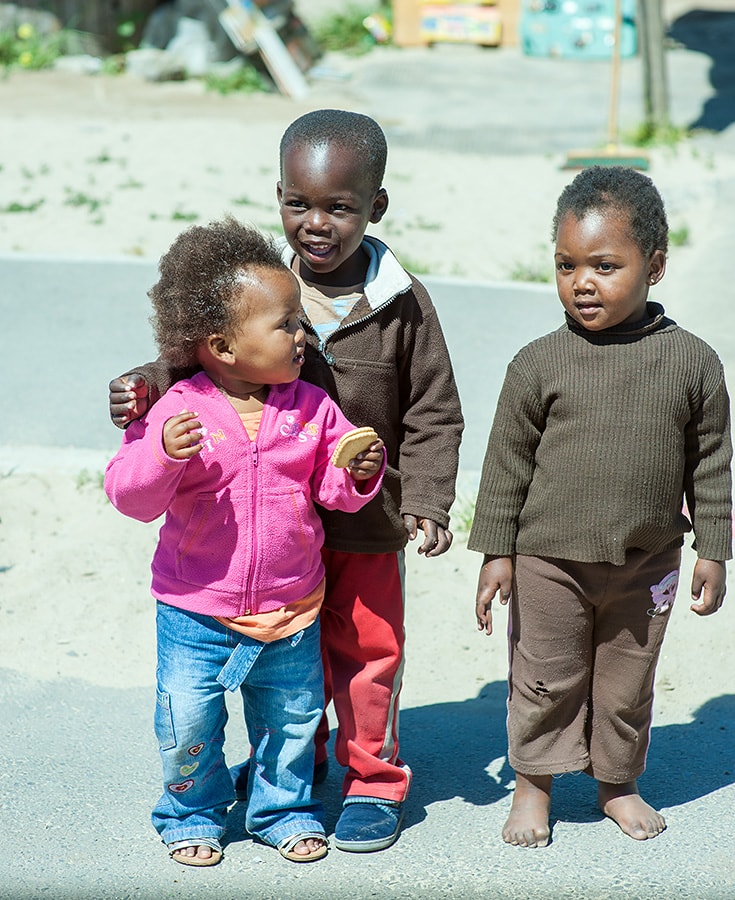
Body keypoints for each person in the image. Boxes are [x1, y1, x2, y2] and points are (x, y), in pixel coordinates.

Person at [107, 110, 463, 852]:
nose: (317, 224)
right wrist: (142, 384)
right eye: (299, 204)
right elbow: (198, 356)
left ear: (376, 207)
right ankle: (293, 773)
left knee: (367, 655)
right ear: (278, 199)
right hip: (274, 534)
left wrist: (426, 498)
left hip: (365, 519)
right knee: (290, 673)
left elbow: (434, 409)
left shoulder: (400, 301)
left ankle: (371, 781)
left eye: (339, 207)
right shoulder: (261, 287)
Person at [105, 218, 386, 867]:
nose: (301, 335)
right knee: (188, 724)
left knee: (289, 722)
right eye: (284, 324)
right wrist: (161, 457)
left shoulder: (310, 406)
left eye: (298, 320)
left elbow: (332, 492)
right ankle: (191, 812)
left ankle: (281, 809)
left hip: (290, 607)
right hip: (195, 611)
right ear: (223, 345)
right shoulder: (176, 409)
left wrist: (357, 470)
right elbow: (130, 497)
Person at [468, 165, 732, 849]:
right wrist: (497, 551)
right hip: (547, 561)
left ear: (656, 265)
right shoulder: (537, 364)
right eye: (566, 264)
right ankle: (534, 784)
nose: (581, 281)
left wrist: (713, 547)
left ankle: (616, 784)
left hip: (647, 563)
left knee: (624, 685)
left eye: (605, 265)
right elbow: (505, 466)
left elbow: (710, 462)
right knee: (544, 680)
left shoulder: (693, 363)